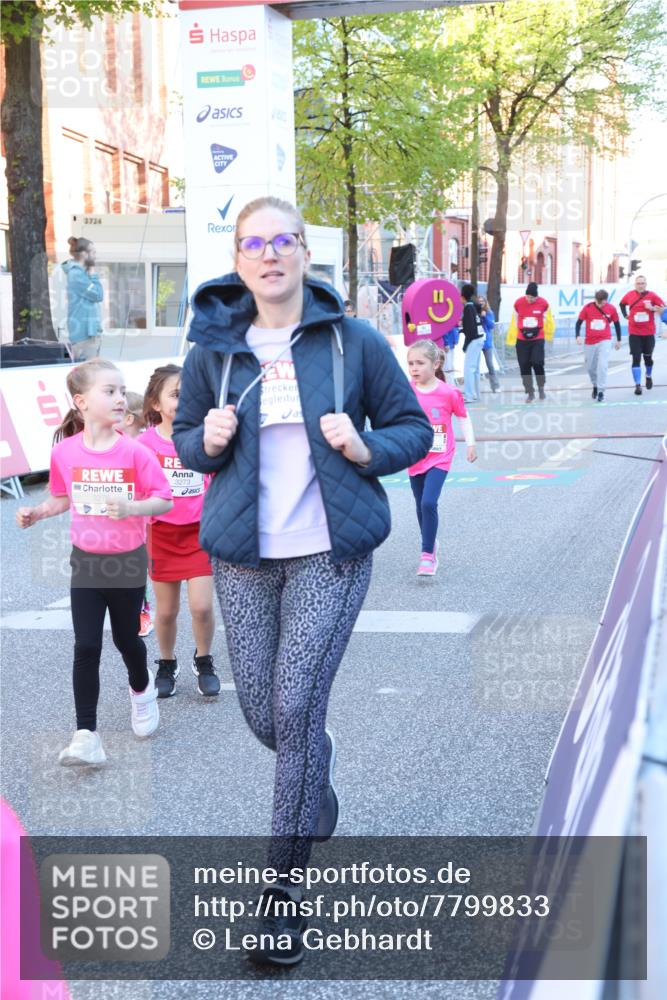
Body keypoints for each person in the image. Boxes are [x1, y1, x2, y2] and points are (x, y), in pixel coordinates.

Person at [172, 195, 432, 966]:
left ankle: (280, 898)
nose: (269, 254)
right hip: (243, 557)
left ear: (303, 251)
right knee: (268, 717)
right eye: (253, 244)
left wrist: (362, 446)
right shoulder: (212, 352)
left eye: (282, 240)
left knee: (293, 703)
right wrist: (204, 439)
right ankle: (310, 774)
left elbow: (413, 429)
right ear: (238, 259)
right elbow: (187, 438)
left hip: (330, 550)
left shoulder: (352, 342)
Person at [15, 359, 172, 766]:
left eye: (122, 391)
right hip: (86, 561)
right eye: (110, 391)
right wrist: (38, 513)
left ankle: (142, 690)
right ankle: (86, 734)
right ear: (81, 402)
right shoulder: (65, 452)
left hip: (126, 562)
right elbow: (62, 497)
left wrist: (132, 506)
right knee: (86, 644)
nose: (121, 398)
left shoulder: (135, 452)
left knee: (126, 641)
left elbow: (164, 499)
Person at [141, 364, 219, 698]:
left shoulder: (205, 437)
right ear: (156, 404)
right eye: (175, 394)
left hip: (199, 533)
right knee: (167, 611)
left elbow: (219, 480)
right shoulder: (144, 445)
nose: (184, 400)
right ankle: (166, 662)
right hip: (161, 535)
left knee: (201, 606)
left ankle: (203, 660)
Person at [407, 340, 477, 576]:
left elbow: (463, 417)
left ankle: (427, 554)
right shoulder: (407, 390)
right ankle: (431, 541)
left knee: (428, 502)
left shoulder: (449, 392)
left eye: (420, 363)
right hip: (415, 456)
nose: (414, 368)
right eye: (410, 364)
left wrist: (471, 444)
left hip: (440, 457)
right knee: (419, 505)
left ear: (435, 364)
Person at [121, 391, 154, 638]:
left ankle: (142, 612)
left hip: (143, 516)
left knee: (135, 566)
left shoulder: (143, 445)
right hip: (116, 516)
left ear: (129, 419)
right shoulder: (110, 444)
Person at [506, 281, 555, 402]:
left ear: (536, 296)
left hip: (537, 338)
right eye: (528, 296)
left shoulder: (544, 304)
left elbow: (549, 320)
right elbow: (514, 321)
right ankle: (530, 392)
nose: (530, 299)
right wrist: (512, 337)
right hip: (522, 339)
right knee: (524, 365)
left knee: (537, 362)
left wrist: (549, 335)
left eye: (532, 297)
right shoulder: (518, 303)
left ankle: (541, 387)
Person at [619, 275, 665, 395]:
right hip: (634, 332)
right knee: (636, 358)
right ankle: (638, 385)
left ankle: (648, 375)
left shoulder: (652, 295)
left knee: (648, 358)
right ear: (635, 284)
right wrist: (625, 315)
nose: (640, 285)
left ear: (646, 284)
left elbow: (663, 308)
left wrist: (652, 308)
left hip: (649, 332)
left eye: (642, 283)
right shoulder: (629, 295)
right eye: (638, 283)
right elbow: (622, 304)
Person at [575, 290, 621, 402]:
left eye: (602, 303)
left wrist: (618, 340)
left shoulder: (611, 309)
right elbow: (578, 323)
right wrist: (577, 336)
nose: (600, 304)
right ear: (595, 299)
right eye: (598, 302)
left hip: (604, 340)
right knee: (590, 367)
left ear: (606, 300)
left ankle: (601, 391)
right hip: (590, 341)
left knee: (602, 365)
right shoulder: (588, 308)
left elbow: (616, 324)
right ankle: (595, 385)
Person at [66, 238, 104, 361]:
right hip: (83, 335)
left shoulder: (81, 273)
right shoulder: (76, 275)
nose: (95, 256)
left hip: (89, 333)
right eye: (93, 252)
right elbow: (98, 295)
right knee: (88, 375)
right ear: (84, 254)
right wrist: (93, 273)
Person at [460, 283, 485, 403]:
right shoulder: (474, 306)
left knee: (468, 368)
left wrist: (465, 344)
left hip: (474, 340)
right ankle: (476, 394)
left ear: (462, 297)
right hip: (480, 338)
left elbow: (470, 329)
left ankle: (469, 395)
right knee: (475, 368)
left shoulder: (468, 308)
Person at [477, 294, 501, 392]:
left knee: (490, 364)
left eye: (483, 301)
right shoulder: (474, 312)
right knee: (475, 365)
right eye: (479, 301)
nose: (481, 303)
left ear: (485, 302)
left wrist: (485, 317)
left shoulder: (489, 312)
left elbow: (491, 326)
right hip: (476, 340)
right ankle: (476, 388)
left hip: (486, 342)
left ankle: (495, 386)